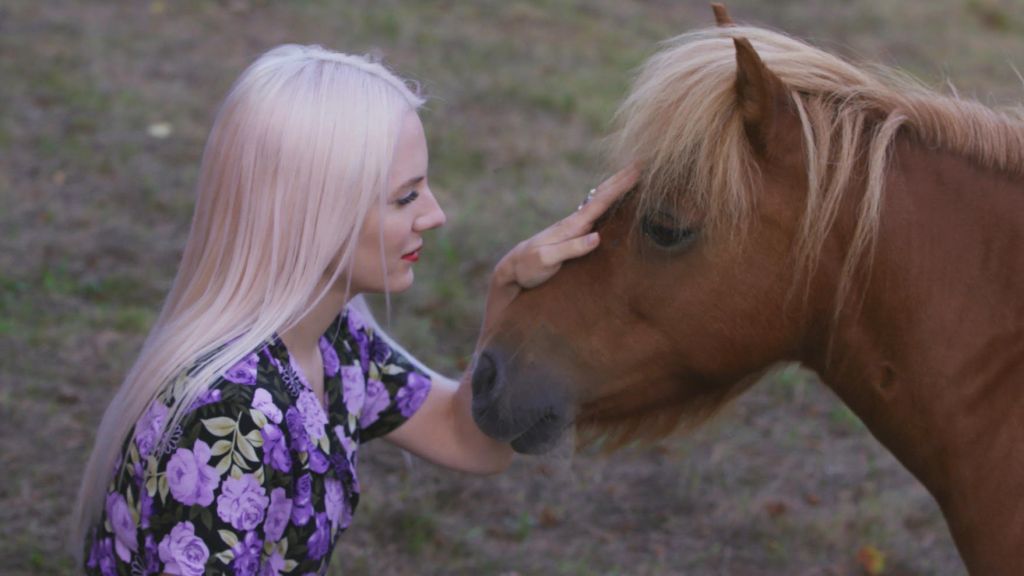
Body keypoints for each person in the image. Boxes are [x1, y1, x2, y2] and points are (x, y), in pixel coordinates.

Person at [72, 44, 638, 575]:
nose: (435, 214)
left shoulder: (333, 341)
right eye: (404, 196)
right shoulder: (233, 416)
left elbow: (470, 441)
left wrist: (507, 290)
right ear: (311, 213)